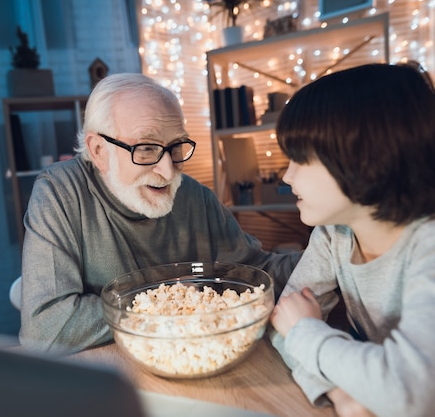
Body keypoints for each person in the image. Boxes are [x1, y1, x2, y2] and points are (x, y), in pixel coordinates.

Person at [19, 73, 301, 354]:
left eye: (176, 146)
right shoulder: (60, 193)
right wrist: (174, 303)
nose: (168, 171)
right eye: (146, 148)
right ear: (98, 151)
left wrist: (334, 248)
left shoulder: (196, 197)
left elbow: (255, 274)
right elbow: (46, 331)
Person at [268, 61, 435, 417]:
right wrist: (338, 392)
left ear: (365, 159)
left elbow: (415, 396)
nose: (287, 176)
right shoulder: (334, 233)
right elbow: (283, 323)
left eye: (299, 159)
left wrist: (306, 332)